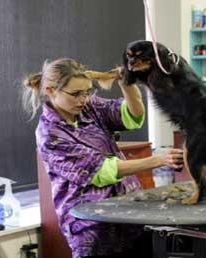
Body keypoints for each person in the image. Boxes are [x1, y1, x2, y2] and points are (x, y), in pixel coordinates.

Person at [22, 58, 184, 258]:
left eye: (86, 92)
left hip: (127, 214)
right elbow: (100, 170)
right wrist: (157, 160)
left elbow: (132, 117)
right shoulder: (50, 134)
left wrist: (127, 85)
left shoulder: (88, 107)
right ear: (50, 90)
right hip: (90, 226)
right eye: (75, 94)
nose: (83, 99)